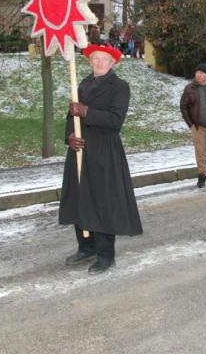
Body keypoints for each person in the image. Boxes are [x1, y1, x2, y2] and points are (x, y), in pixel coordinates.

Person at [59, 43, 142, 275]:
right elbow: (71, 115)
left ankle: (106, 255)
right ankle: (86, 247)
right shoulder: (82, 84)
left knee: (103, 202)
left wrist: (86, 112)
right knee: (79, 198)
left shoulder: (120, 87)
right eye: (95, 59)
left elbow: (115, 120)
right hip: (80, 149)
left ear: (112, 63)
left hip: (104, 151)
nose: (99, 63)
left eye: (104, 59)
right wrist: (70, 136)